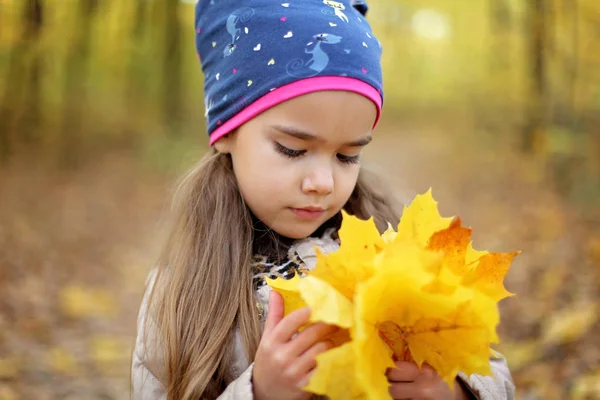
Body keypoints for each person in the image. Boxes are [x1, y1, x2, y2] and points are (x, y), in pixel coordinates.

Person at [131, 1, 516, 399]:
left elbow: (490, 366)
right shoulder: (182, 290)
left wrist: (454, 389)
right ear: (227, 130)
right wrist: (258, 393)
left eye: (347, 156)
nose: (323, 182)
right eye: (293, 149)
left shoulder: (392, 248)